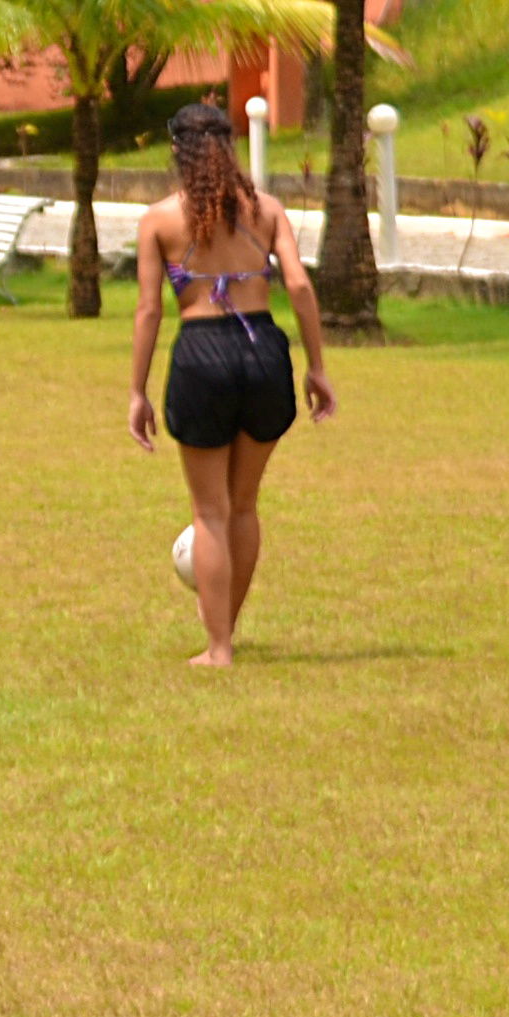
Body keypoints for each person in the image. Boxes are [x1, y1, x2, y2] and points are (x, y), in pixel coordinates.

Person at [128, 94, 336, 668]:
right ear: (228, 147)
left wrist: (137, 391)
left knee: (210, 512)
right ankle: (226, 632)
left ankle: (217, 647)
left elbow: (149, 310)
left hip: (202, 355)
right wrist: (317, 368)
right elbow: (299, 286)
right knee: (242, 506)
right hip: (264, 351)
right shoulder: (267, 210)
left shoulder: (159, 219)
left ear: (177, 151)